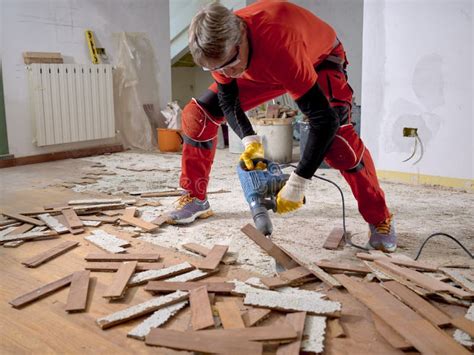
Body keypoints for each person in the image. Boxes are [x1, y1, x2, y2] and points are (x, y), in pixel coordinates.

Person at [168, 1, 397, 252]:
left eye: (229, 64)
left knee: (339, 144)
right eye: (217, 68)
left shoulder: (280, 42)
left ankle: (380, 218)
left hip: (317, 60)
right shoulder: (220, 48)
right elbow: (228, 98)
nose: (227, 72)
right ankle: (195, 197)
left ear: (240, 37)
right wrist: (249, 140)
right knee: (197, 116)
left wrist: (298, 182)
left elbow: (324, 120)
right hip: (260, 66)